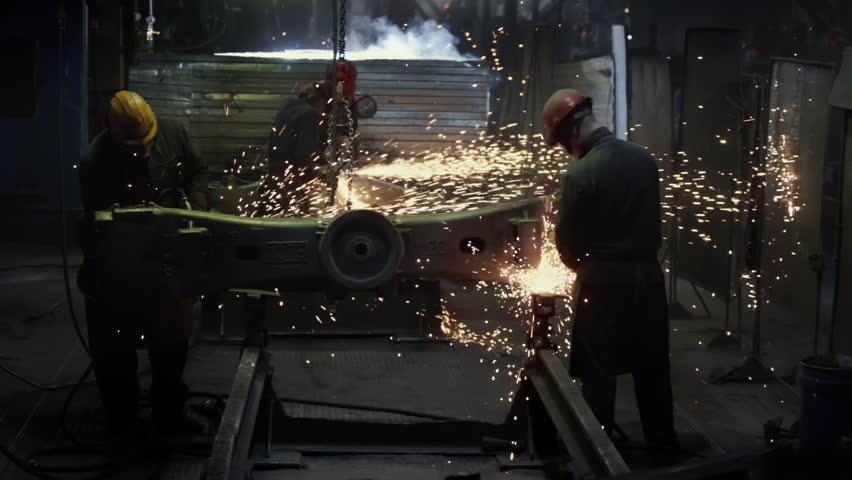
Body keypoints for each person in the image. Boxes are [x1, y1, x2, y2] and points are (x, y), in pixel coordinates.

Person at [543, 89, 680, 462]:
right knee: (652, 366)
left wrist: (585, 268)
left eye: (561, 143)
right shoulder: (644, 160)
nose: (565, 150)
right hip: (649, 278)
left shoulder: (581, 172)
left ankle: (598, 451)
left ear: (571, 131)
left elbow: (567, 244)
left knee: (597, 371)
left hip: (602, 282)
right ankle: (664, 447)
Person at [77, 90, 209, 436]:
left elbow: (200, 173)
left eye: (146, 142)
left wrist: (197, 200)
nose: (141, 150)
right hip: (118, 265)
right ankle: (123, 419)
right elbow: (99, 224)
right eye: (132, 146)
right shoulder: (94, 160)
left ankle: (169, 414)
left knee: (171, 345)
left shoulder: (174, 132)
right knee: (115, 348)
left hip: (170, 256)